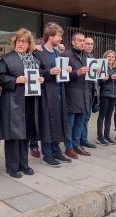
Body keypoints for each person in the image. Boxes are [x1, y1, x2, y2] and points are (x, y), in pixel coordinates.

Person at [0, 28, 44, 178]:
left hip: (30, 101)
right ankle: (12, 166)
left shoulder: (34, 59)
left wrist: (41, 79)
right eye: (18, 41)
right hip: (12, 101)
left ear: (29, 43)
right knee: (13, 135)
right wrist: (15, 80)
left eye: (24, 41)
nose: (21, 44)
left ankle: (24, 163)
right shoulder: (7, 58)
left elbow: (39, 74)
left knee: (26, 134)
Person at [34, 22, 72, 167]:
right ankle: (47, 154)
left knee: (58, 121)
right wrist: (49, 72)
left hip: (59, 91)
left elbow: (61, 72)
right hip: (46, 94)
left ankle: (56, 151)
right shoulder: (38, 52)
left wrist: (66, 69)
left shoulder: (57, 53)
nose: (61, 38)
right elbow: (35, 73)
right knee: (47, 123)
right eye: (59, 35)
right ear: (50, 36)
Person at [62, 32, 92, 158]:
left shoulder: (86, 55)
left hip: (85, 93)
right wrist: (76, 72)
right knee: (70, 123)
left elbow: (89, 74)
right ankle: (68, 147)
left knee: (80, 122)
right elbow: (62, 76)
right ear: (73, 42)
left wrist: (96, 71)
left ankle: (77, 145)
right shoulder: (66, 55)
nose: (82, 43)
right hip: (72, 94)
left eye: (83, 41)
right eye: (79, 40)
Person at [96, 50, 116, 146]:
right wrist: (108, 77)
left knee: (109, 116)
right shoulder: (102, 68)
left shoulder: (115, 68)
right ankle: (99, 137)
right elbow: (99, 81)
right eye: (109, 56)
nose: (111, 58)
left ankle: (106, 136)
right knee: (102, 115)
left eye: (113, 57)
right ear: (105, 57)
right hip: (105, 94)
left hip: (114, 95)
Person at [80, 37, 97, 149]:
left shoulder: (92, 58)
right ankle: (79, 140)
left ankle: (84, 139)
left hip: (91, 90)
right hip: (81, 91)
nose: (89, 46)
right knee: (81, 118)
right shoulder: (81, 57)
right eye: (87, 43)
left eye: (91, 44)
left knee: (86, 117)